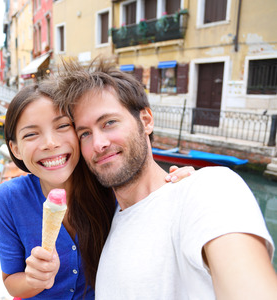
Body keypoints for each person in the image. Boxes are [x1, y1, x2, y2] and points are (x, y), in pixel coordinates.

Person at [54, 58, 277, 299]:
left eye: (109, 123)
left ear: (146, 120)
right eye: (85, 133)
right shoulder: (106, 222)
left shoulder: (209, 189)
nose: (98, 144)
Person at [0, 82, 195, 299]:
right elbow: (11, 281)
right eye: (31, 134)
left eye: (62, 126)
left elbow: (148, 193)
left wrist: (181, 181)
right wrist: (34, 280)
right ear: (15, 149)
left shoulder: (109, 184)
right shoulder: (8, 200)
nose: (50, 143)